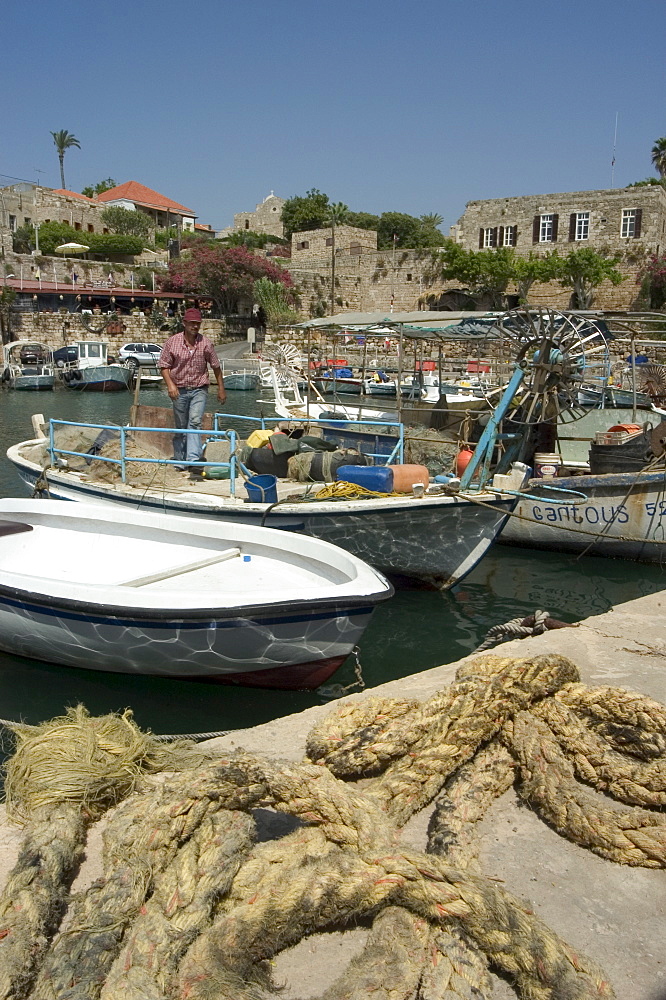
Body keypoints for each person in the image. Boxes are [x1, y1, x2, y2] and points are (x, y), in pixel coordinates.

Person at [158, 307, 226, 474]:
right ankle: (180, 460)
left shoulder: (206, 343)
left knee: (194, 421)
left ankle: (193, 459)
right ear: (185, 323)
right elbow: (163, 366)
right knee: (181, 425)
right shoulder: (172, 342)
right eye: (192, 323)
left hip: (199, 389)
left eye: (198, 324)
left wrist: (221, 389)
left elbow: (216, 367)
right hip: (179, 389)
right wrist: (170, 385)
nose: (195, 327)